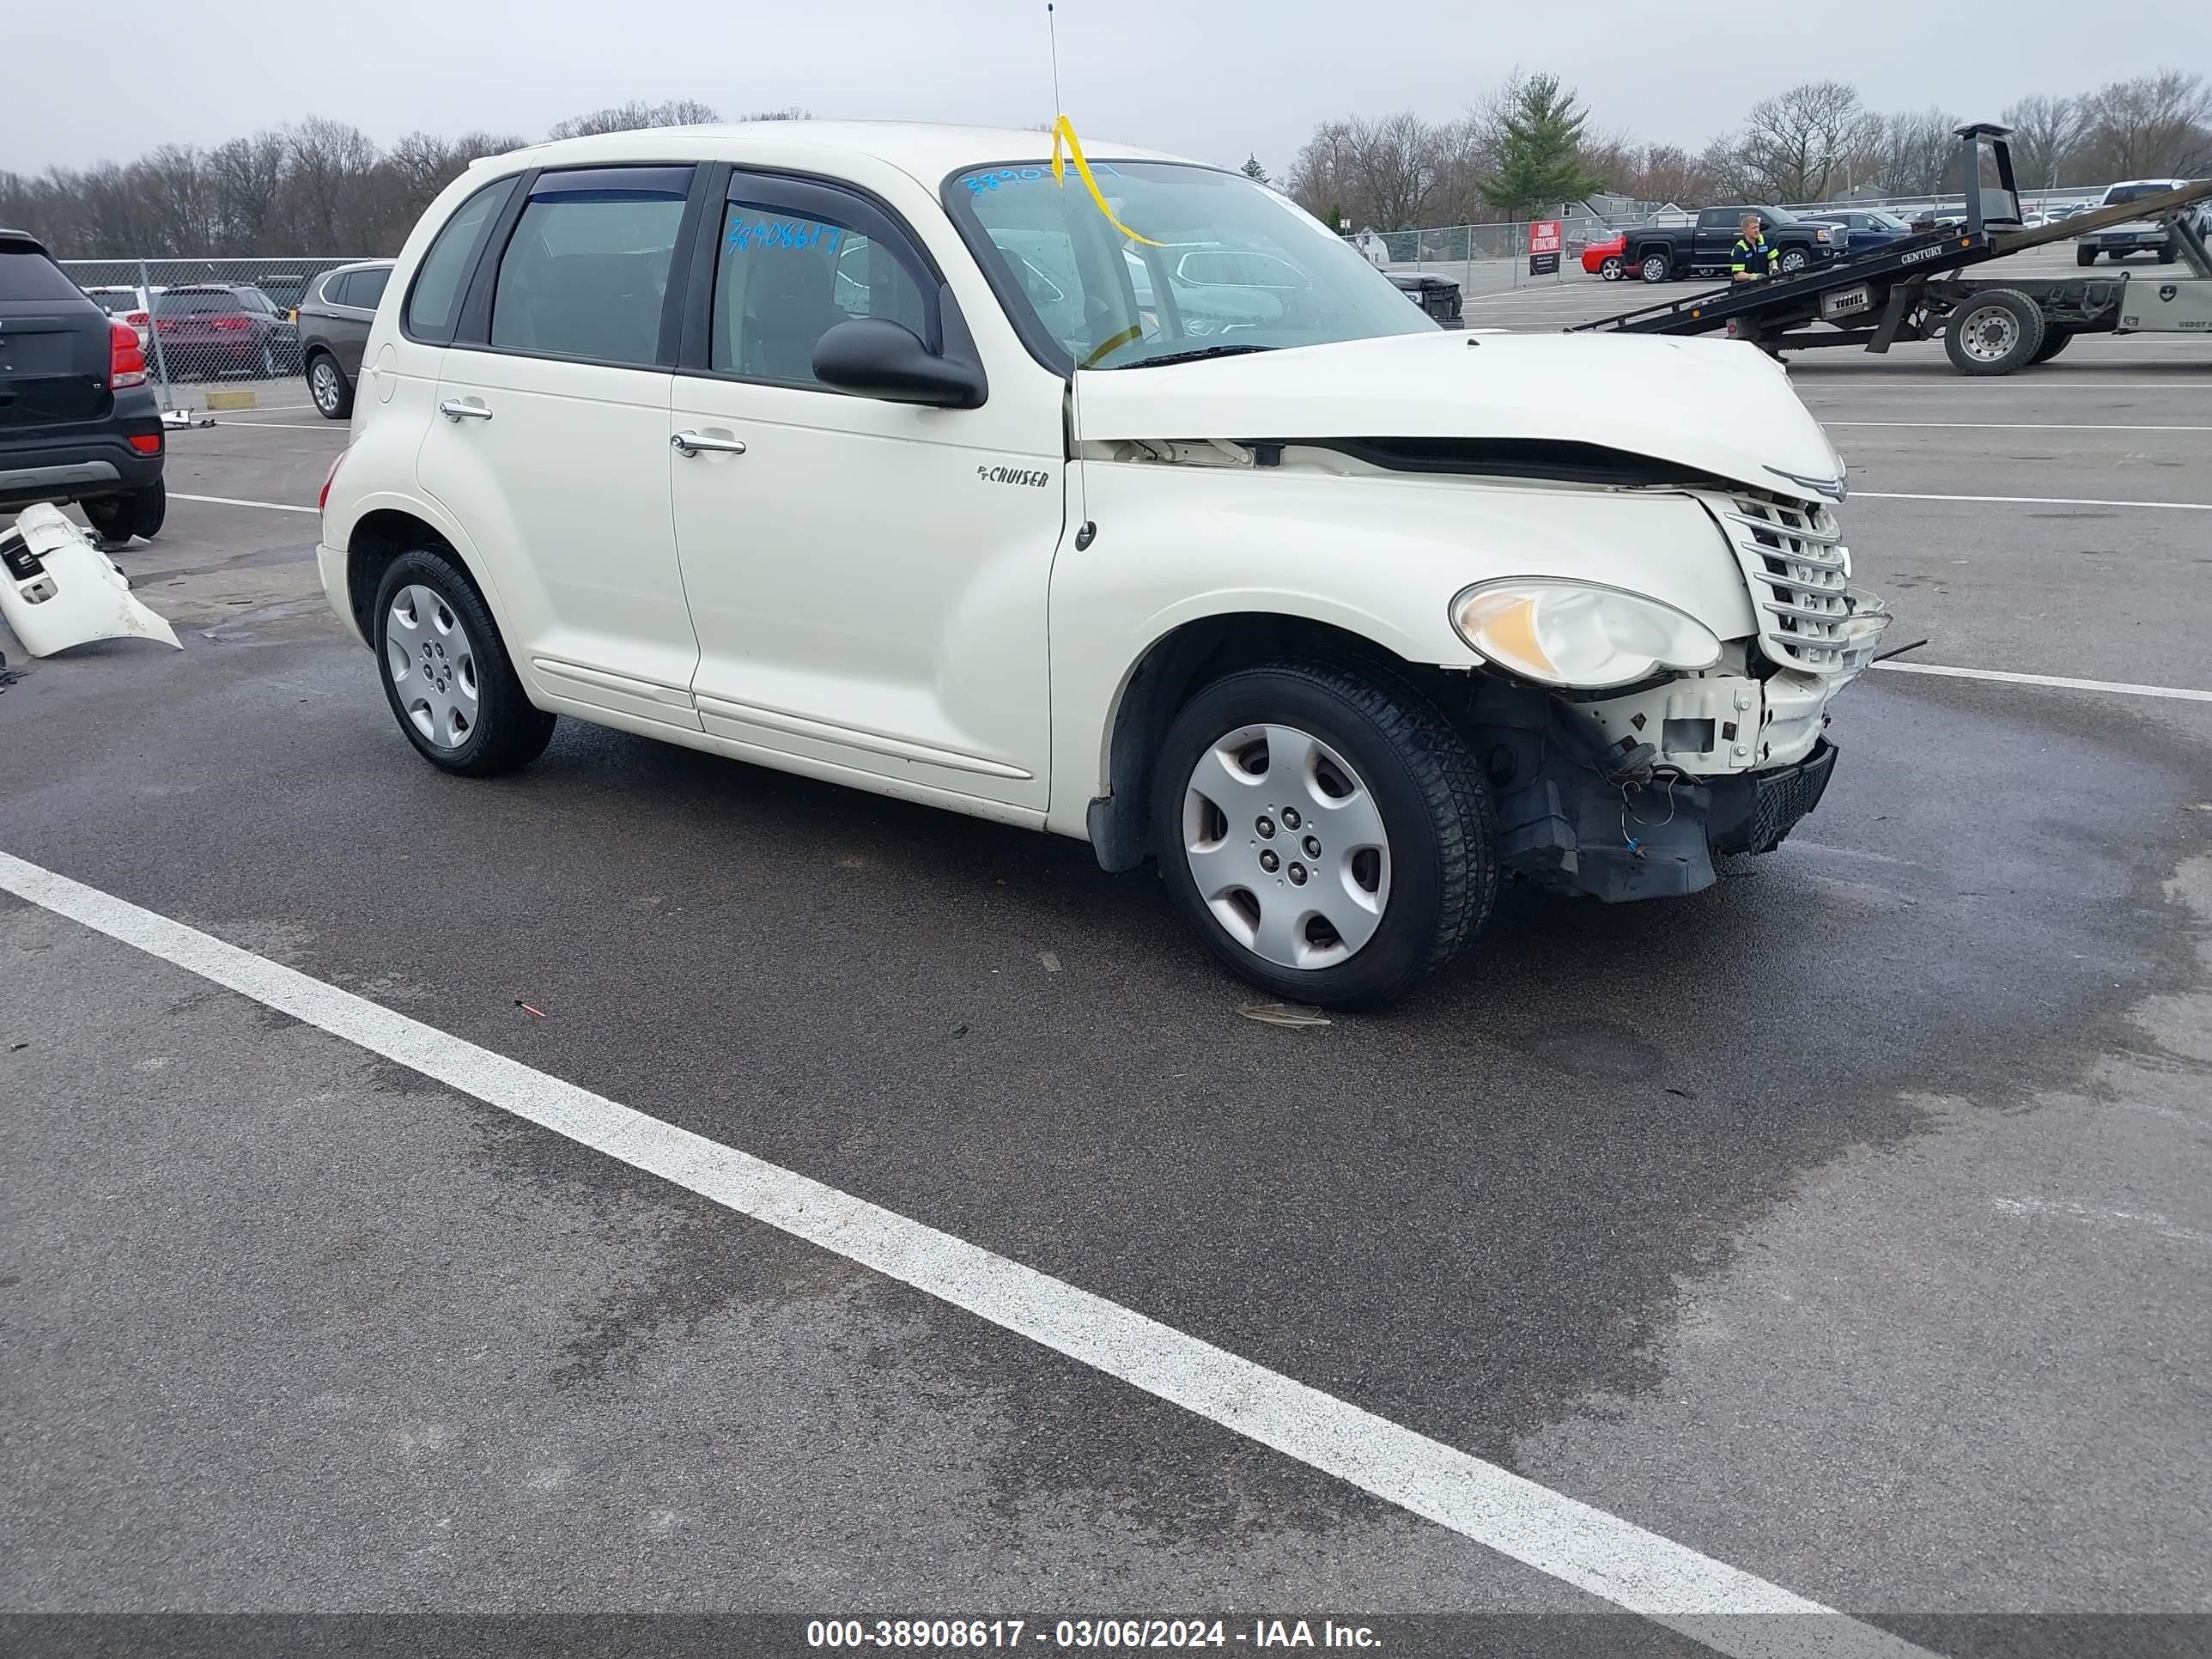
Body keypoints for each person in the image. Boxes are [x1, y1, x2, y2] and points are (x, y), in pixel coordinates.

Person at [1731, 214, 1779, 283]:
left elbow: (1772, 259)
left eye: (1758, 227)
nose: (1757, 230)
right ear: (1745, 231)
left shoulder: (1765, 241)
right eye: (1753, 228)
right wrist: (1754, 276)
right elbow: (1737, 276)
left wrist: (1774, 267)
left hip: (1763, 284)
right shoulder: (1740, 248)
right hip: (1744, 288)